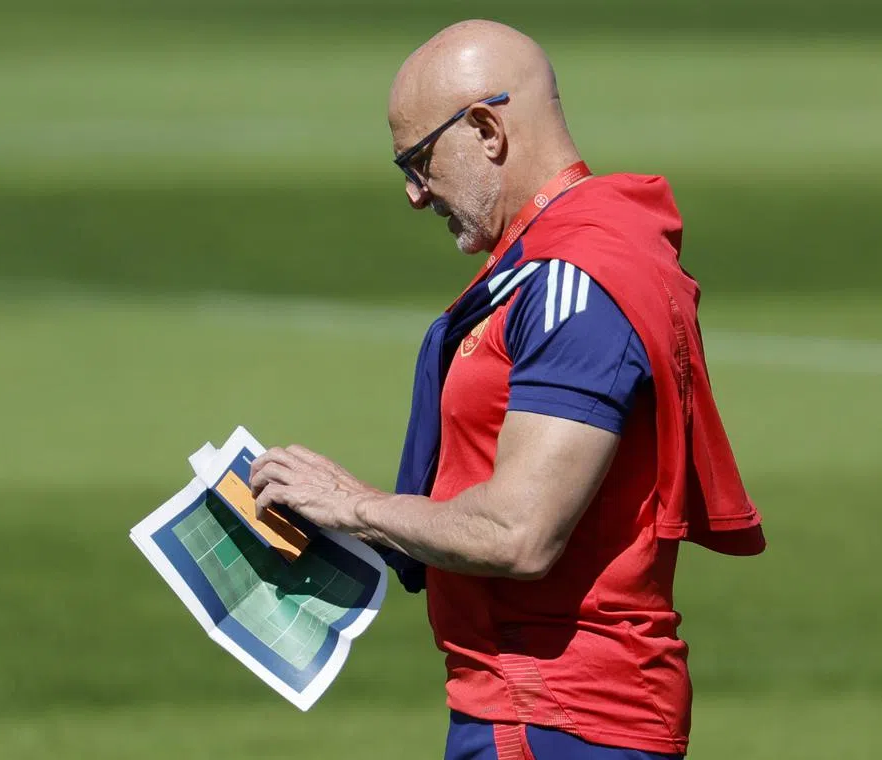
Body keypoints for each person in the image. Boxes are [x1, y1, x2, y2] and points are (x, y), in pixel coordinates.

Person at [249, 19, 765, 760]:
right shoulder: (565, 255)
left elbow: (518, 532)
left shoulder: (576, 281)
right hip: (539, 710)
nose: (414, 195)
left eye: (419, 161)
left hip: (557, 717)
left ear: (487, 128)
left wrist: (356, 508)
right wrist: (353, 510)